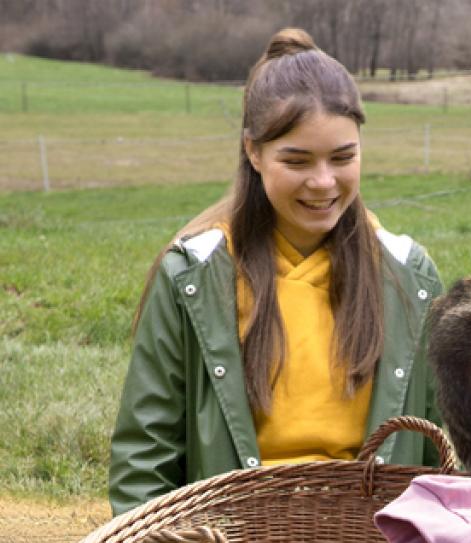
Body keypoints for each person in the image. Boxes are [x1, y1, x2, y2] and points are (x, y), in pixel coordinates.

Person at [108, 28, 443, 516]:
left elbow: (441, 451)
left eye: (343, 157)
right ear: (253, 151)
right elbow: (146, 454)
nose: (324, 182)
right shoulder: (190, 277)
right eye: (297, 160)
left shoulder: (410, 277)